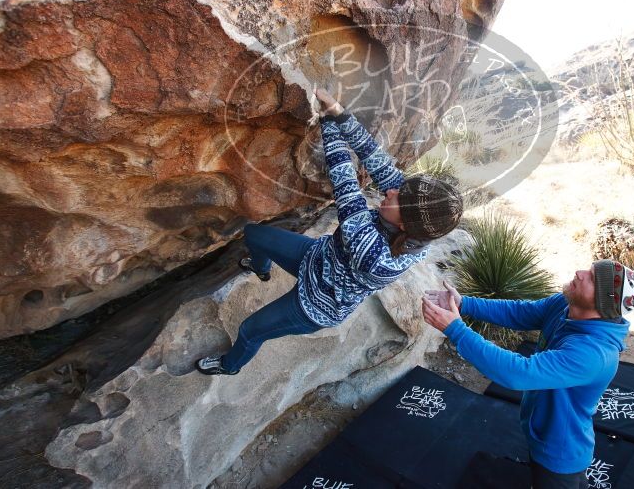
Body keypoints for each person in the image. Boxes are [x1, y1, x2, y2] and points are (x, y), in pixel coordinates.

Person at [196, 88, 463, 375]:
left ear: (405, 224)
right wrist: (339, 112)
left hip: (317, 303)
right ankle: (260, 269)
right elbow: (374, 157)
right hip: (316, 258)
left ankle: (229, 365)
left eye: (398, 196)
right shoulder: (410, 223)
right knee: (254, 235)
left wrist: (327, 123)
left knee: (250, 330)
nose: (392, 190)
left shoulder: (377, 258)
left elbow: (346, 184)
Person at [421, 260, 634, 489]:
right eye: (589, 268)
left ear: (601, 303)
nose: (579, 272)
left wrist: (456, 330)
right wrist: (465, 304)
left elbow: (517, 372)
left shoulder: (593, 354)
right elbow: (522, 312)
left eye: (591, 277)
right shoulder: (567, 306)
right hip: (542, 431)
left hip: (559, 451)